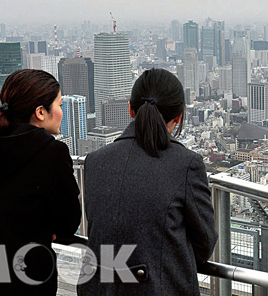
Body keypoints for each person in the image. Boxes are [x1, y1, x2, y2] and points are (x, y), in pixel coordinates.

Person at [79, 68, 217, 295]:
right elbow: (205, 243)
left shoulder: (95, 161)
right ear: (179, 116)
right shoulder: (186, 164)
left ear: (130, 109)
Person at [0, 69, 81, 296]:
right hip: (25, 276)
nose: (62, 112)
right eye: (60, 105)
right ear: (41, 112)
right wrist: (48, 229)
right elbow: (69, 220)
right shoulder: (52, 152)